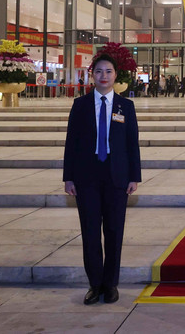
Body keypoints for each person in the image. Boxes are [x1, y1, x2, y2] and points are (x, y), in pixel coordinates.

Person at [63, 53, 141, 305]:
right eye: (98, 71)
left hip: (117, 176)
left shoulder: (125, 106)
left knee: (114, 231)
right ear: (92, 75)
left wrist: (134, 176)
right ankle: (95, 284)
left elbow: (132, 143)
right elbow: (71, 143)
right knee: (90, 232)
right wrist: (69, 177)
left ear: (116, 75)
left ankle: (111, 284)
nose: (103, 76)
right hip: (86, 176)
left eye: (108, 71)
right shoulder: (80, 105)